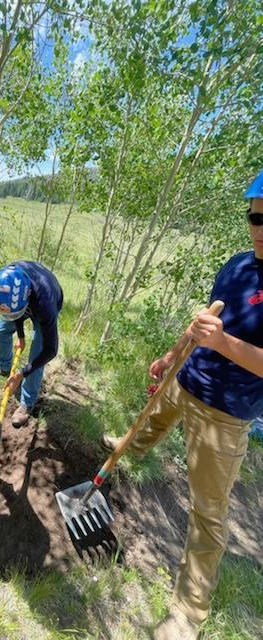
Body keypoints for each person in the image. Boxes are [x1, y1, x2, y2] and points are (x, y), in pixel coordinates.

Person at [102, 171, 263, 640]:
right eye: (254, 213)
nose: (258, 225)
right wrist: (174, 354)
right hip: (186, 379)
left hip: (225, 414)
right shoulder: (237, 265)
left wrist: (227, 344)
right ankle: (127, 451)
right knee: (150, 420)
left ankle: (188, 614)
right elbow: (203, 323)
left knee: (207, 512)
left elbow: (225, 338)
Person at [0, 261, 63, 427]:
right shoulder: (8, 279)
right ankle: (5, 367)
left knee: (38, 353)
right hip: (20, 303)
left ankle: (27, 403)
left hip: (48, 297)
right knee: (1, 330)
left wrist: (22, 373)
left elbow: (51, 350)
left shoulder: (46, 306)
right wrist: (21, 336)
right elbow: (15, 313)